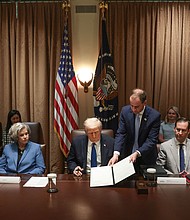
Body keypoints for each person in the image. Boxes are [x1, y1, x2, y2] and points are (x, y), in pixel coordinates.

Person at [108, 88, 161, 172]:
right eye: (131, 105)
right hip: (127, 156)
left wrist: (137, 152)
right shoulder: (125, 111)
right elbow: (121, 133)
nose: (133, 109)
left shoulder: (154, 116)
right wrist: (116, 153)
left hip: (145, 157)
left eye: (136, 106)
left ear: (144, 103)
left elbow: (152, 140)